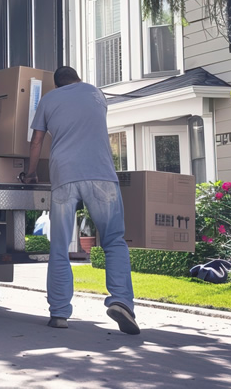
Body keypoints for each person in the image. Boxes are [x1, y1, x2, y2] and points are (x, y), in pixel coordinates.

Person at [22, 66, 139, 334]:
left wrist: (30, 174)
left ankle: (60, 312)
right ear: (79, 79)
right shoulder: (96, 94)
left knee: (60, 245)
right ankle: (121, 300)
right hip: (101, 175)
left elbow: (36, 142)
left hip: (65, 174)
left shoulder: (49, 100)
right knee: (113, 241)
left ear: (57, 85)